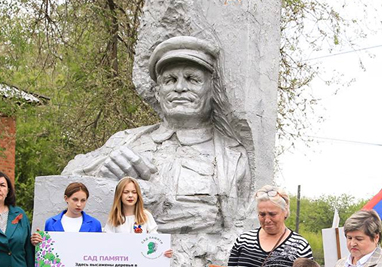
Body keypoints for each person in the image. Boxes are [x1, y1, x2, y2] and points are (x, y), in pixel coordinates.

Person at [63, 35, 251, 234]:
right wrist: (102, 176)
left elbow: (238, 227)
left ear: (211, 89)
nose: (179, 88)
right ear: (158, 92)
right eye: (170, 80)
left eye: (192, 79)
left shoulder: (233, 158)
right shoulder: (127, 141)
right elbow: (63, 182)